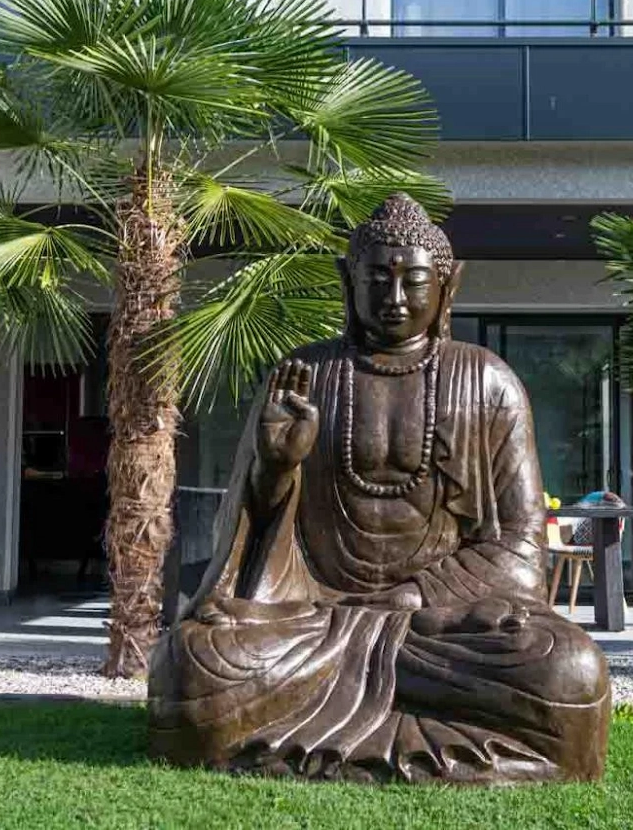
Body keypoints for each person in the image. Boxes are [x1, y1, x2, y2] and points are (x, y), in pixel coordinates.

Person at [148, 194, 609, 783]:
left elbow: (522, 547)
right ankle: (456, 744)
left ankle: (312, 736)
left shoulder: (489, 382)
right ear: (349, 281)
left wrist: (416, 596)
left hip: (435, 629)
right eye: (377, 279)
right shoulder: (305, 377)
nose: (394, 299)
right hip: (313, 620)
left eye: (413, 281)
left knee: (570, 669)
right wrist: (276, 467)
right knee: (189, 664)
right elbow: (248, 542)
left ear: (448, 286)